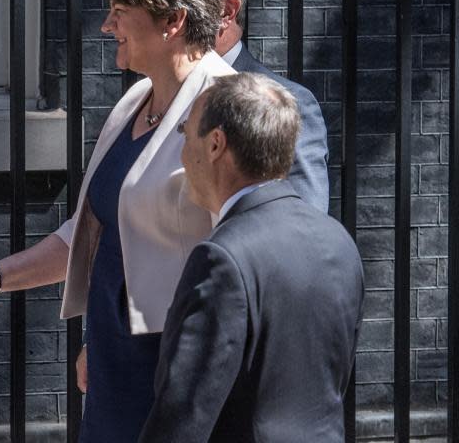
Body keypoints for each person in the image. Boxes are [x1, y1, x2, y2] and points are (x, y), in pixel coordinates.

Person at [0, 0, 236, 441]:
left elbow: (245, 254)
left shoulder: (227, 109)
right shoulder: (134, 103)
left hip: (176, 372)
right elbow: (86, 233)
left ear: (174, 21)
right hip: (112, 363)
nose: (107, 25)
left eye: (121, 11)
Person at [139, 73, 363, 442]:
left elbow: (183, 415)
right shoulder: (338, 242)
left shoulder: (222, 258)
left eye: (184, 133)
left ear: (215, 144)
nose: (181, 154)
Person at [193, 0, 330, 212]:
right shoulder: (151, 98)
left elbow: (305, 220)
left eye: (183, 4)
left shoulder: (289, 102)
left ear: (226, 12)